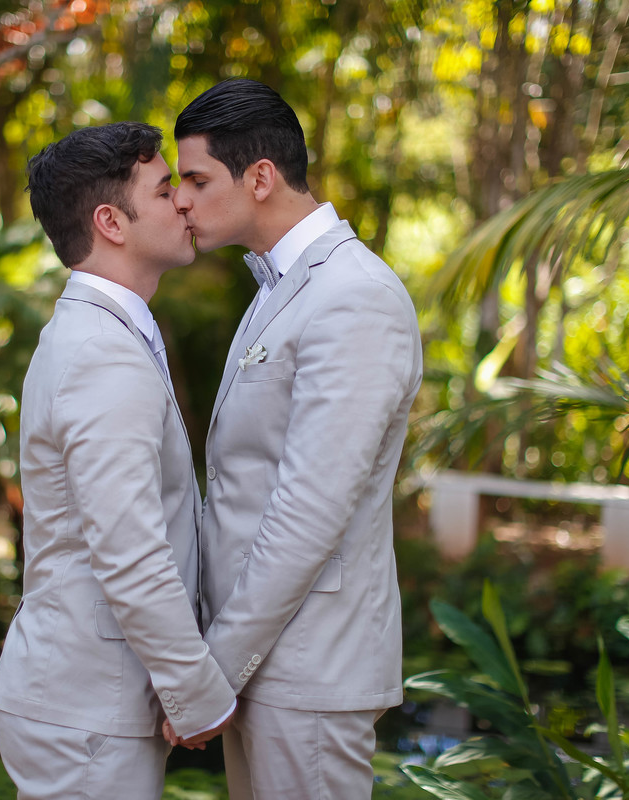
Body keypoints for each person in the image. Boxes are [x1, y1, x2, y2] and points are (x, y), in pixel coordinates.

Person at [167, 79, 424, 799]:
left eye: (196, 180)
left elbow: (310, 510)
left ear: (259, 178)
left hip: (310, 667)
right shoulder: (278, 288)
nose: (180, 200)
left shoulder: (355, 297)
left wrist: (216, 668)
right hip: (266, 664)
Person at [0, 121, 236, 800]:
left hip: (84, 700)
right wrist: (195, 692)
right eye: (162, 189)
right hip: (84, 709)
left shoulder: (97, 334)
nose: (182, 201)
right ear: (111, 222)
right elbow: (128, 550)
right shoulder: (102, 352)